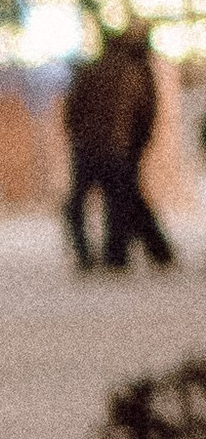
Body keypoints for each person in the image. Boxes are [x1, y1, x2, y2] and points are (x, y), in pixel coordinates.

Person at [63, 25, 175, 274]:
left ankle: (107, 254)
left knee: (99, 201)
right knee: (122, 200)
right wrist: (135, 144)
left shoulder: (95, 71)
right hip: (117, 148)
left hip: (94, 147)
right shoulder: (133, 74)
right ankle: (125, 254)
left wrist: (81, 136)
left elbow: (72, 110)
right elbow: (143, 115)